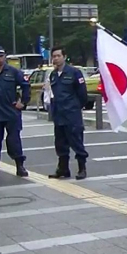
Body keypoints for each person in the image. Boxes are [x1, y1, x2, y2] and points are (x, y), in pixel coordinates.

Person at [0, 46, 30, 178]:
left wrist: (23, 102)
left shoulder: (13, 72)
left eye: (1, 56)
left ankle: (19, 166)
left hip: (10, 110)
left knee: (13, 139)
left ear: (5, 57)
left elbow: (25, 86)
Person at [47, 46, 89, 180]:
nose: (56, 58)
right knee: (60, 143)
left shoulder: (74, 72)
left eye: (58, 56)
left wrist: (76, 107)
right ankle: (63, 169)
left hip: (72, 114)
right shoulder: (53, 75)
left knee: (76, 142)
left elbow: (82, 94)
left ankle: (82, 168)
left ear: (64, 57)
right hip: (59, 115)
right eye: (54, 56)